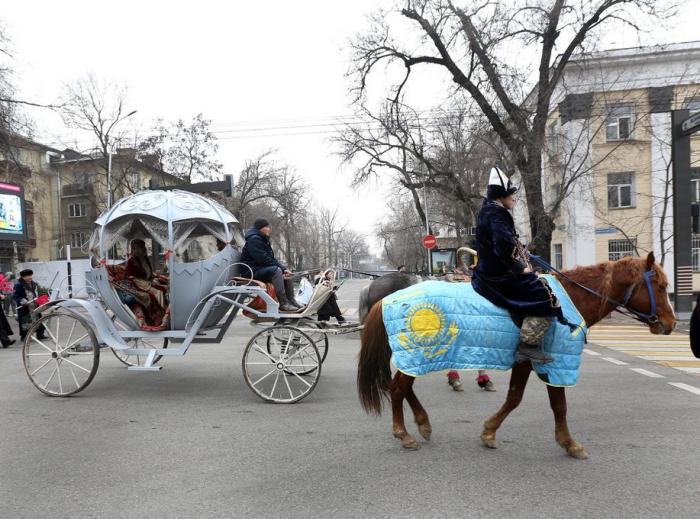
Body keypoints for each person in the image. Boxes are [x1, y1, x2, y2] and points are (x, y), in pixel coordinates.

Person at [471, 166, 563, 363]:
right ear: (501, 195)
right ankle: (528, 345)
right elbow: (503, 246)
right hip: (499, 276)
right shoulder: (497, 214)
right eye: (511, 194)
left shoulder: (490, 210)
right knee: (546, 295)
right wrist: (521, 267)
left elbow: (505, 241)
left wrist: (523, 251)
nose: (514, 198)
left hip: (489, 272)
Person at [240, 218, 300, 312]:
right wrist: (280, 269)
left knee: (286, 275)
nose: (269, 229)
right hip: (250, 271)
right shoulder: (254, 240)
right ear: (261, 228)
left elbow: (271, 259)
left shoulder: (262, 239)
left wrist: (284, 269)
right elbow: (264, 260)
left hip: (259, 269)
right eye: (267, 227)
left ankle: (291, 301)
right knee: (276, 271)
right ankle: (283, 304)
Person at [125, 239, 169, 328]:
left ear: (143, 249)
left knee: (166, 288)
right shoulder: (131, 261)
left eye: (138, 248)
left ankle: (167, 312)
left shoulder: (145, 259)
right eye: (134, 249)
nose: (136, 251)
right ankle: (159, 317)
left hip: (147, 281)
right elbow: (131, 278)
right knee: (158, 292)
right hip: (138, 284)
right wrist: (148, 284)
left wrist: (155, 279)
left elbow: (149, 273)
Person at [13, 269, 46, 341]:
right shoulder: (18, 285)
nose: (30, 277)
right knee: (25, 322)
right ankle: (24, 336)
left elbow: (38, 292)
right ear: (23, 277)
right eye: (28, 276)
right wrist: (22, 301)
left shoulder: (33, 283)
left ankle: (40, 334)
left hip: (34, 304)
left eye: (31, 275)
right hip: (25, 306)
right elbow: (15, 296)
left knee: (38, 319)